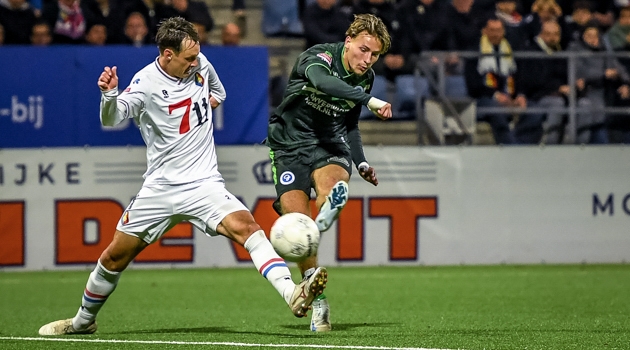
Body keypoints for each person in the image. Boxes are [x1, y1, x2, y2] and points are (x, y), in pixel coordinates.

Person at [38, 16, 327, 336]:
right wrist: (109, 95)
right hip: (160, 188)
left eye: (197, 55)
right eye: (188, 58)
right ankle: (82, 322)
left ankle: (292, 293)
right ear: (167, 54)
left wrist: (203, 104)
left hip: (204, 183)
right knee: (114, 257)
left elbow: (219, 91)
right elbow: (112, 118)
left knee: (247, 227)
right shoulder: (146, 82)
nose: (195, 63)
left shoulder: (200, 62)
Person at [266, 13, 392, 332]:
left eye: (374, 54)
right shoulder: (318, 57)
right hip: (289, 143)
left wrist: (361, 161)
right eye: (363, 49)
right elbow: (322, 83)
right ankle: (316, 296)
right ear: (348, 41)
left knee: (332, 183)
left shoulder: (366, 77)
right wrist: (371, 100)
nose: (367, 59)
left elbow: (350, 124)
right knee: (298, 228)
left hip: (330, 142)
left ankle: (326, 210)